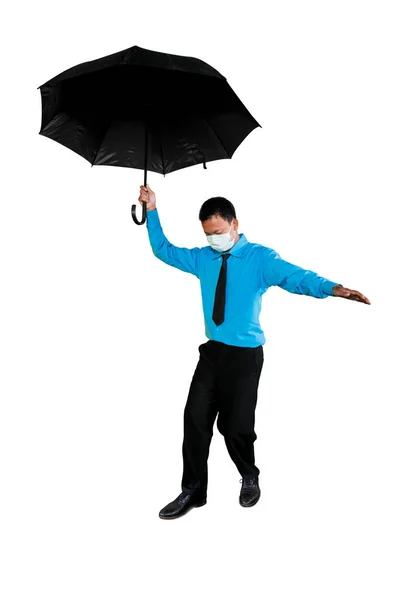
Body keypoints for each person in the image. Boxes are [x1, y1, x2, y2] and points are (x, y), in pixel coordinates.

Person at [138, 184, 371, 520]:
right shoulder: (203, 258)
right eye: (207, 234)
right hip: (213, 353)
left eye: (218, 232)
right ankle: (193, 491)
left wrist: (332, 288)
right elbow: (163, 249)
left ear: (235, 224)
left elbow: (295, 277)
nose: (213, 239)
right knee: (194, 421)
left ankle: (249, 475)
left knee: (236, 427)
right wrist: (152, 210)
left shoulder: (260, 258)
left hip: (245, 356)